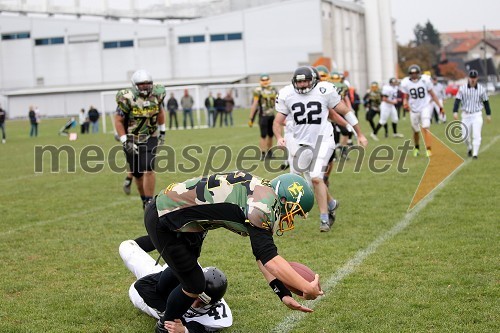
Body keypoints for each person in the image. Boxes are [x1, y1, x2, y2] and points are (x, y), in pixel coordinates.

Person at [144, 171, 322, 333]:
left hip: (183, 217)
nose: (289, 217)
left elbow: (262, 255)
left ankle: (158, 292)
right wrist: (306, 287)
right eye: (293, 211)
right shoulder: (263, 206)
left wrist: (282, 293)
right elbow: (270, 259)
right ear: (283, 199)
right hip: (165, 218)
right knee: (195, 284)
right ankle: (165, 326)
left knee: (189, 264)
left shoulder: (263, 191)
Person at [273, 66, 367, 233]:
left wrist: (359, 133)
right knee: (307, 180)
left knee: (316, 177)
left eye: (305, 80)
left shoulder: (325, 90)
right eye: (299, 81)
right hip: (302, 142)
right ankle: (331, 203)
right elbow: (277, 121)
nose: (302, 85)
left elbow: (345, 111)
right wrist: (279, 137)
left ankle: (324, 217)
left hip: (324, 140)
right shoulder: (287, 94)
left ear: (314, 80)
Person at [119, 239, 233, 332]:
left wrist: (184, 330)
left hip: (141, 300)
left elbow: (201, 329)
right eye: (196, 297)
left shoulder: (218, 316)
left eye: (201, 302)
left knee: (133, 291)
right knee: (126, 247)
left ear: (214, 303)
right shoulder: (187, 276)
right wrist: (168, 312)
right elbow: (144, 285)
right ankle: (156, 237)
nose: (194, 303)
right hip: (158, 285)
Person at [115, 69, 166, 209]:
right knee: (137, 173)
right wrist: (124, 140)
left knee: (148, 167)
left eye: (148, 84)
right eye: (142, 84)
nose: (145, 87)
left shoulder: (157, 95)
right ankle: (144, 200)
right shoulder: (127, 98)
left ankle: (149, 202)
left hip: (150, 136)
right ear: (135, 85)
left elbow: (160, 112)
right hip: (131, 138)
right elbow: (118, 120)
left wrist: (162, 131)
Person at [400, 64, 444, 157]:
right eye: (412, 73)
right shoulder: (406, 83)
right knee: (415, 131)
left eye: (416, 73)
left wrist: (440, 106)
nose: (414, 75)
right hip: (413, 109)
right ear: (409, 74)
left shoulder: (425, 81)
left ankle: (428, 149)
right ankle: (416, 148)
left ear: (419, 73)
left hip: (425, 107)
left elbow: (433, 94)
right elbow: (406, 97)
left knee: (426, 127)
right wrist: (405, 103)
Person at [452, 69, 492, 159]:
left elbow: (486, 102)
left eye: (474, 78)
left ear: (477, 78)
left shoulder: (481, 89)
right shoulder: (462, 88)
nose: (472, 79)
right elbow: (457, 100)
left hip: (476, 114)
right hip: (466, 114)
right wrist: (455, 111)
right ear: (468, 78)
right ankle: (469, 147)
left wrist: (488, 114)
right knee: (464, 136)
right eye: (471, 78)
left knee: (476, 134)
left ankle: (475, 154)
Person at [248, 74, 278, 160]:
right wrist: (251, 118)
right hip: (263, 116)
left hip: (272, 115)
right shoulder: (258, 90)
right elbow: (255, 104)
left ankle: (269, 152)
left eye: (266, 80)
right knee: (263, 135)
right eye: (263, 80)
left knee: (271, 135)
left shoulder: (273, 89)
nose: (265, 82)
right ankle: (263, 153)